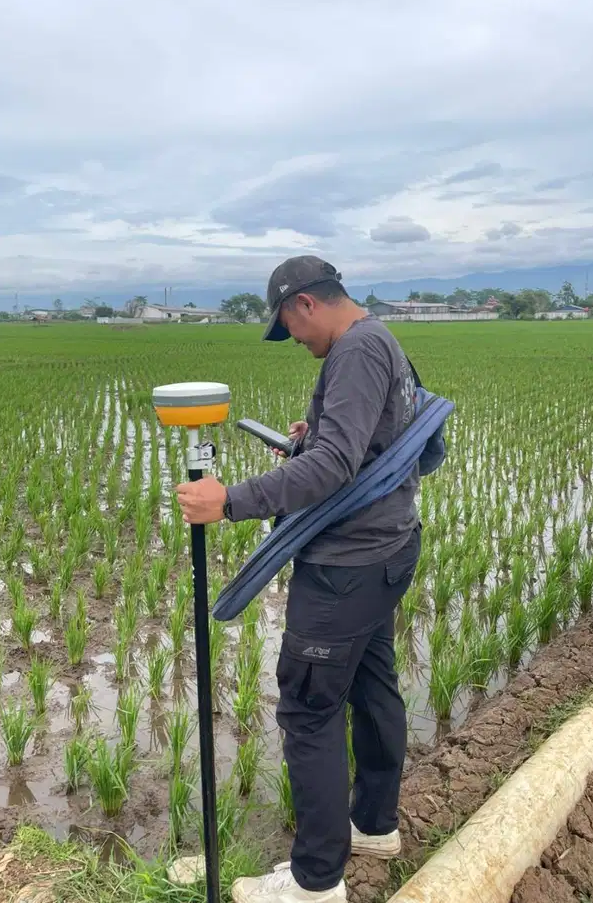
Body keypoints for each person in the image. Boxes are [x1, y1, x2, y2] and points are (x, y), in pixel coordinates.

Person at [176, 255, 423, 903]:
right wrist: (312, 438)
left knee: (309, 710)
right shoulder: (378, 340)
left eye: (291, 328)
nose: (297, 343)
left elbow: (336, 467)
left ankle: (316, 883)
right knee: (372, 686)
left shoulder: (356, 352)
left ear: (305, 303)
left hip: (348, 566)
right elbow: (367, 441)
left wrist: (227, 500)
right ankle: (374, 825)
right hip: (387, 553)